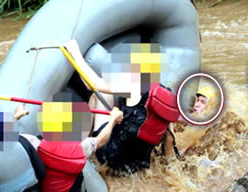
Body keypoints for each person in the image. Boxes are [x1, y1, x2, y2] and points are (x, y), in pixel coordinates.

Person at [64, 39, 180, 173]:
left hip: (111, 157)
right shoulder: (166, 95)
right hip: (138, 165)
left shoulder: (132, 87)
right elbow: (170, 137)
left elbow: (92, 84)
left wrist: (75, 53)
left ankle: (85, 143)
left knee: (98, 95)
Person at [21, 106, 124, 192]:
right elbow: (100, 140)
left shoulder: (33, 144)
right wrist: (112, 120)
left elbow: (8, 139)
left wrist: (17, 116)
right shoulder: (81, 147)